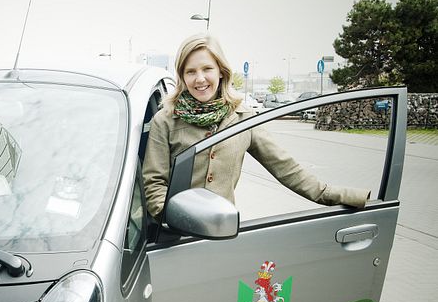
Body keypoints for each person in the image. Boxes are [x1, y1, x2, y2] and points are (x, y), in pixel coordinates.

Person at [142, 34, 369, 219]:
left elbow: (286, 168)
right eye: (190, 71)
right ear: (182, 75)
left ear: (221, 71)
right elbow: (154, 183)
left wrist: (338, 195)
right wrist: (172, 221)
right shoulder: (165, 120)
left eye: (207, 69)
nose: (199, 78)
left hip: (222, 234)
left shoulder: (244, 118)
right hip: (174, 238)